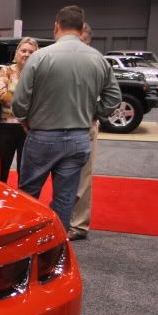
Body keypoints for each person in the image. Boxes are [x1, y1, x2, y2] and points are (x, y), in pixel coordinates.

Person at [12, 6, 120, 233]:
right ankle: (57, 241)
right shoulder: (98, 59)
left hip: (42, 136)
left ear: (56, 26)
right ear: (81, 29)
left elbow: (20, 100)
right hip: (79, 138)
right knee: (65, 197)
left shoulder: (39, 57)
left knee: (28, 192)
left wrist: (24, 120)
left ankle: (25, 238)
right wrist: (93, 113)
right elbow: (113, 98)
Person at [68, 22, 99, 241]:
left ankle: (78, 225)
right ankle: (62, 219)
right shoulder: (61, 60)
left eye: (83, 41)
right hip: (60, 125)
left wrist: (95, 115)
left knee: (83, 178)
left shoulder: (95, 62)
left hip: (85, 124)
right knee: (63, 176)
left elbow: (111, 95)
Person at [0, 37, 39, 182]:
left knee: (26, 171)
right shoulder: (6, 71)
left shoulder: (39, 73)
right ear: (17, 52)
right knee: (1, 169)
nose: (26, 54)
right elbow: (0, 94)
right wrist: (25, 105)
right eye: (23, 50)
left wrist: (13, 98)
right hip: (6, 127)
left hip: (29, 128)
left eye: (31, 52)